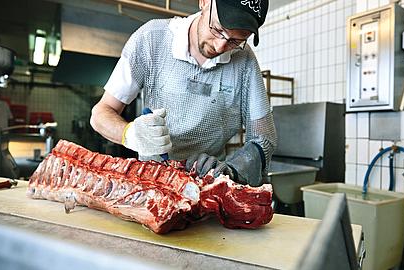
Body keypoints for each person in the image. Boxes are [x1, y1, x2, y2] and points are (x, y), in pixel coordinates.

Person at [90, 0, 276, 187]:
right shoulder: (151, 39)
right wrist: (129, 134)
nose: (220, 47)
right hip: (152, 181)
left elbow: (263, 137)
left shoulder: (244, 61)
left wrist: (232, 170)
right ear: (204, 2)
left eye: (235, 40)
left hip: (208, 184)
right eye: (217, 29)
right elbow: (101, 114)